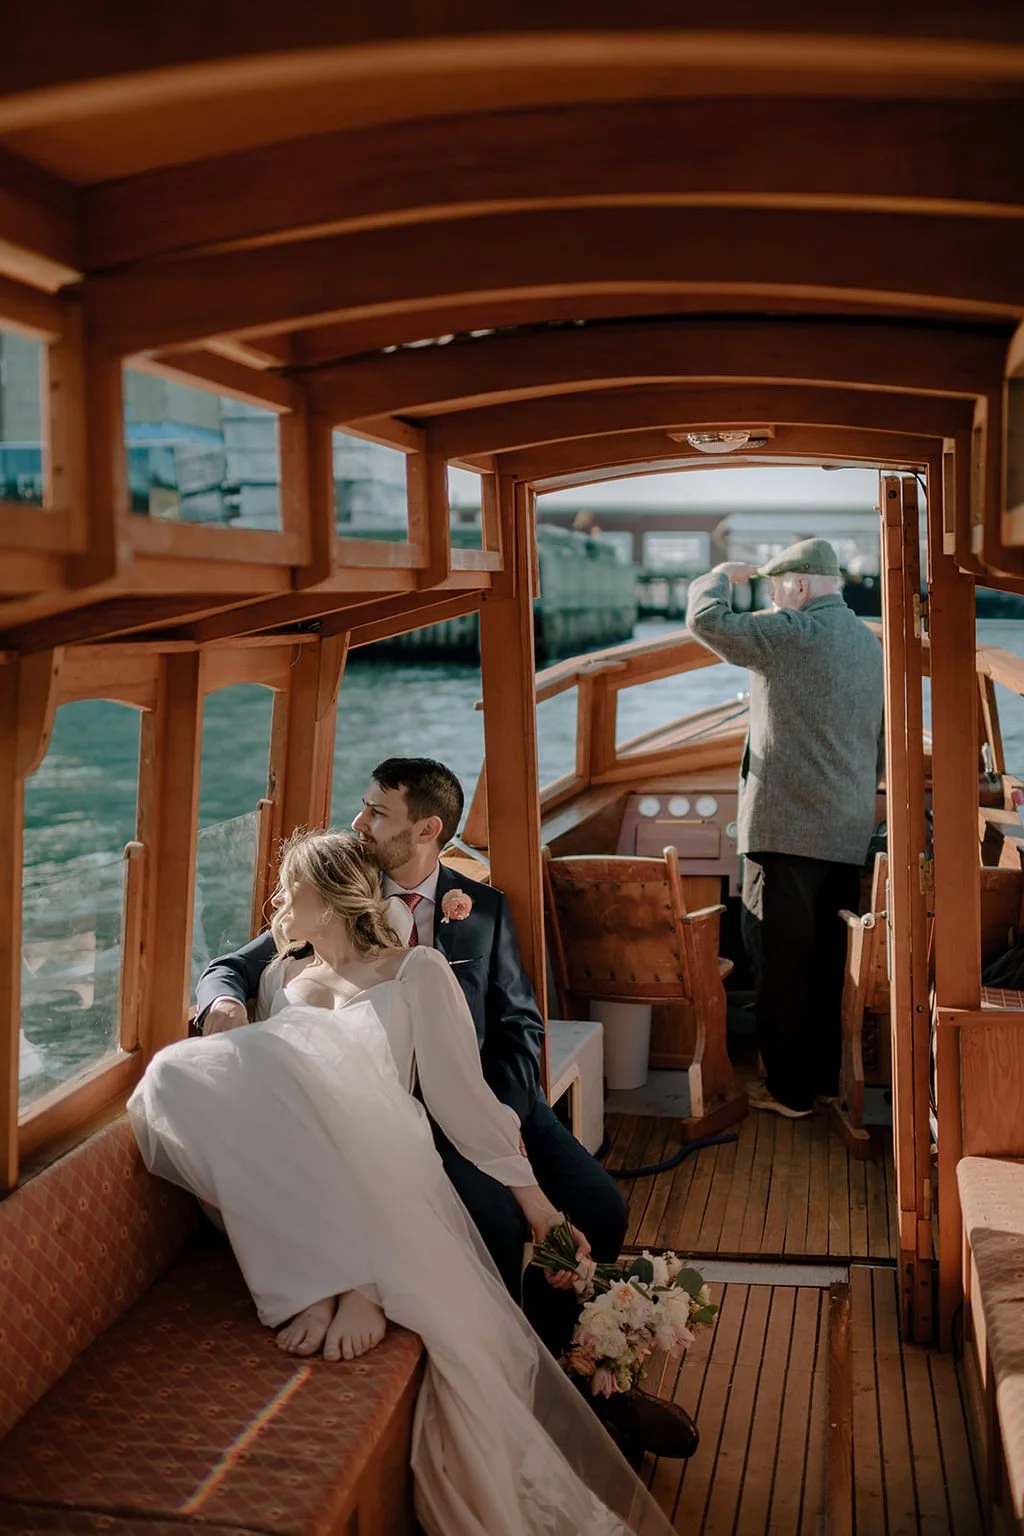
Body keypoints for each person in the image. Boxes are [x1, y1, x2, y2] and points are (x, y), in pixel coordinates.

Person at [130, 831, 675, 1536]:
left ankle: (355, 1281)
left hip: (386, 1149)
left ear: (326, 899)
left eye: (287, 888)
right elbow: (253, 1072)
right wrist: (226, 1013)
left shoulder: (416, 971)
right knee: (175, 1074)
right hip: (309, 1165)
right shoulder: (278, 978)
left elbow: (463, 1099)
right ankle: (326, 1276)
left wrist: (539, 1208)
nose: (274, 902)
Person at [195, 757, 697, 1459]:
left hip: (496, 1101)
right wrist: (220, 1003)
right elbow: (241, 964)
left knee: (601, 1206)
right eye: (363, 809)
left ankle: (573, 1369)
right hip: (403, 1119)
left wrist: (508, 1115)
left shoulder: (480, 907)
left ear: (426, 830)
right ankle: (516, 1394)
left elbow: (521, 1024)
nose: (358, 823)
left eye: (376, 814)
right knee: (490, 1220)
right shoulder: (339, 885)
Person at [685, 538, 885, 1119]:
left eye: (775, 589)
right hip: (846, 831)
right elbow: (875, 744)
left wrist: (719, 574)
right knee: (826, 962)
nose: (772, 599)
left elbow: (707, 621)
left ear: (798, 585)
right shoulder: (867, 644)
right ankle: (823, 1081)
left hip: (784, 832)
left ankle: (788, 1091)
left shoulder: (792, 634)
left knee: (780, 961)